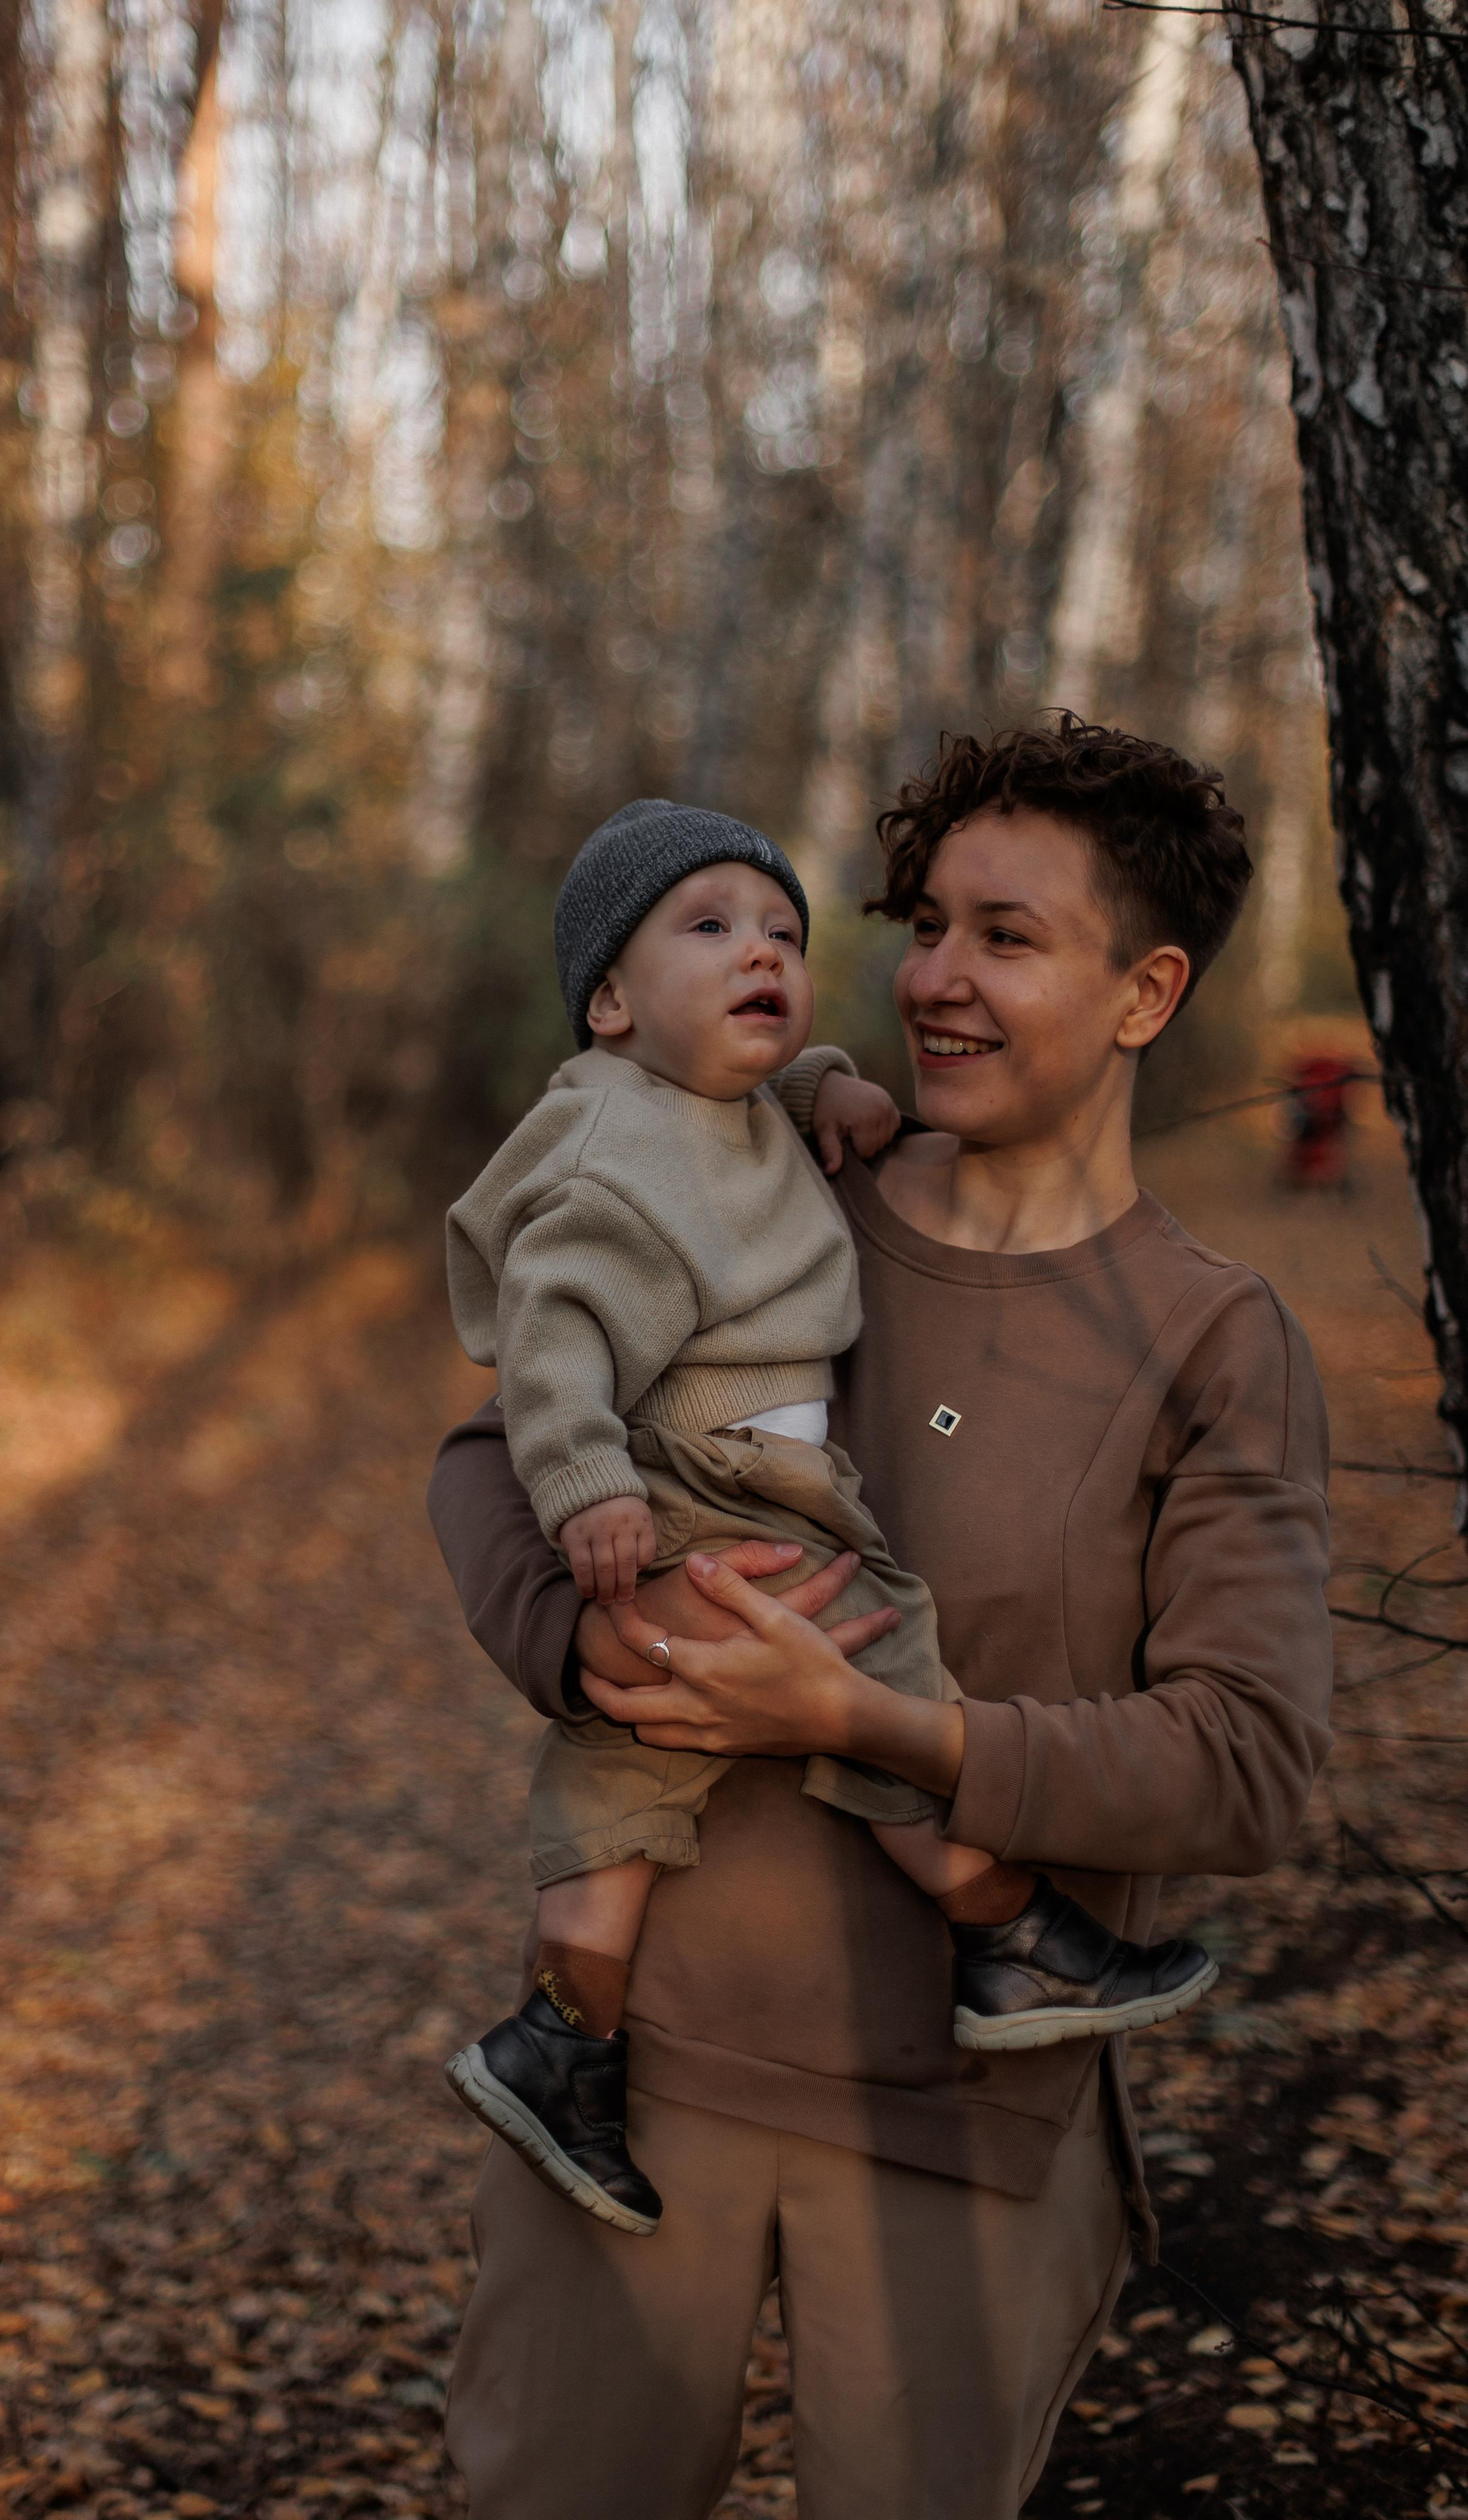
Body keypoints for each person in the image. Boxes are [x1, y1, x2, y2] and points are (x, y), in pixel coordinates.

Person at [427, 717, 1335, 2520]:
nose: (933, 978)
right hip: (643, 2086)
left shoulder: (1213, 1338)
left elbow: (1252, 1765)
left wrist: (875, 1727)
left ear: (1146, 992)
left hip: (961, 2134)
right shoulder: (767, 1186)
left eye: (1007, 936)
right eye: (925, 923)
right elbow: (487, 1451)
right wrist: (572, 1634)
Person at [441, 797, 1215, 2241]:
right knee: (858, 1637)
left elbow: (742, 1110)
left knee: (623, 1800)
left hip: (738, 1475)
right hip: (707, 1482)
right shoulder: (611, 1164)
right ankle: (1002, 1933)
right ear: (608, 1000)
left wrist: (831, 1089)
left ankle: (555, 2045)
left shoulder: (732, 1115)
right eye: (714, 928)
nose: (765, 956)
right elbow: (540, 1359)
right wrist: (583, 1528)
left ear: (1142, 993)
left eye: (785, 935)